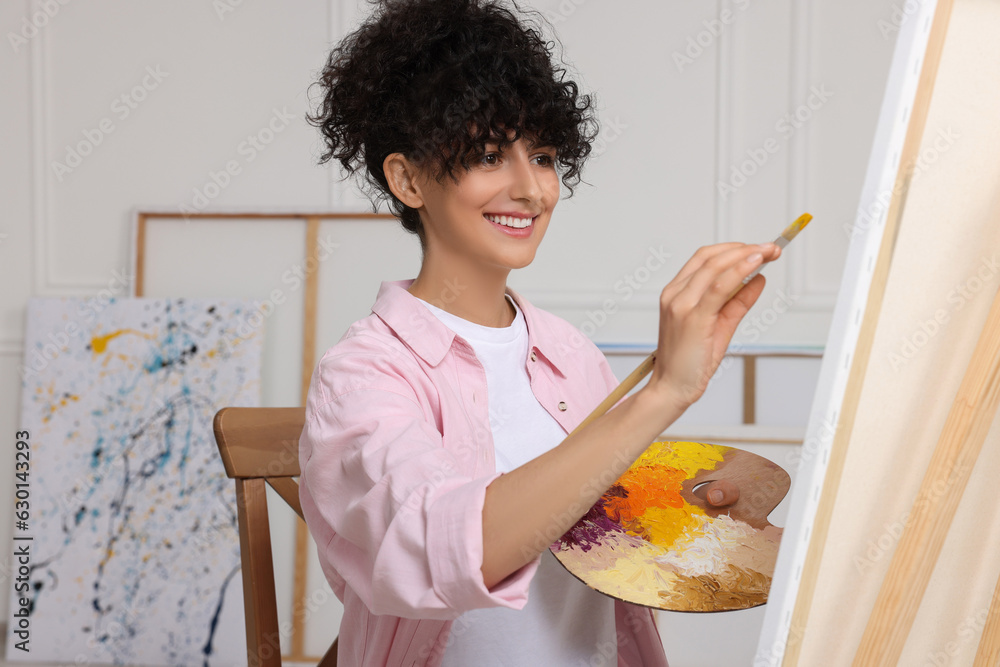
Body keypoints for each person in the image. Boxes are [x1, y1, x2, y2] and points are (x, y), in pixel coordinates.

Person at [298, 0, 781, 665]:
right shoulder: (364, 374)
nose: (532, 188)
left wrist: (692, 508)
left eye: (546, 156)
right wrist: (664, 393)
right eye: (490, 154)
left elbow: (608, 538)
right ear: (407, 178)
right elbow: (445, 544)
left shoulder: (567, 353)